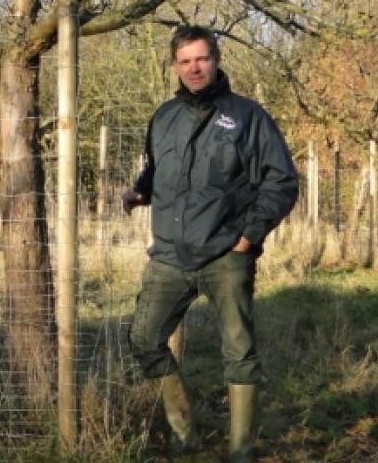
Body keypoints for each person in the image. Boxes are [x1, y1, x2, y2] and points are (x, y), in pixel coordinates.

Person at [123, 26, 298, 462]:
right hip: (169, 255)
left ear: (216, 59)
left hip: (226, 253)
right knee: (144, 338)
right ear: (174, 66)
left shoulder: (247, 116)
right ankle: (186, 437)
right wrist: (140, 191)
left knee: (239, 351)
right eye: (184, 61)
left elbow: (282, 180)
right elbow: (154, 170)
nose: (194, 68)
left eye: (201, 58)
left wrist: (249, 235)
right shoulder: (163, 117)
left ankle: (241, 451)